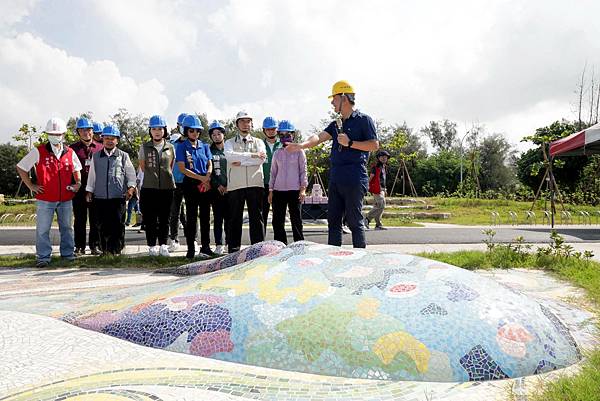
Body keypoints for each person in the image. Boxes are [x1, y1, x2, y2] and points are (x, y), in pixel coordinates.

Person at [286, 80, 379, 248]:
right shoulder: (336, 124)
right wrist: (301, 145)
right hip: (336, 178)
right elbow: (319, 137)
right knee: (333, 221)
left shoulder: (364, 120)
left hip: (354, 177)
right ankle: (334, 259)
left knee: (354, 221)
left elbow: (374, 145)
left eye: (334, 98)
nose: (332, 102)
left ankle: (360, 258)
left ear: (344, 98)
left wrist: (350, 143)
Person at [16, 117, 82, 267]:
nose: (56, 136)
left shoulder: (69, 152)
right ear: (47, 134)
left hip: (65, 197)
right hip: (45, 198)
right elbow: (21, 167)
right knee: (43, 229)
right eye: (52, 133)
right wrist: (31, 186)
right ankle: (43, 257)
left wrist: (77, 183)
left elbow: (76, 169)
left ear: (63, 134)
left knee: (66, 228)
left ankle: (68, 255)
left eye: (58, 134)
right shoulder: (38, 151)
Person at [85, 125, 136, 255]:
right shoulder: (96, 156)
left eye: (112, 138)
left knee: (118, 225)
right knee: (102, 225)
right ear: (102, 139)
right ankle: (105, 250)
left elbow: (131, 174)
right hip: (100, 197)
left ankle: (117, 250)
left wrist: (131, 188)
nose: (109, 141)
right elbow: (92, 176)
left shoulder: (123, 156)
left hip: (118, 197)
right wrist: (89, 190)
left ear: (117, 140)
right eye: (106, 138)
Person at [224, 111, 266, 253]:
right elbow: (230, 157)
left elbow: (261, 159)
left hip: (255, 183)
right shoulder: (229, 143)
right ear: (237, 124)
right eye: (242, 121)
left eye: (248, 121)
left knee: (256, 217)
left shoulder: (259, 142)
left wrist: (241, 161)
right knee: (235, 218)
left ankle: (258, 249)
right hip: (236, 184)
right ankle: (234, 250)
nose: (246, 124)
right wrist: (252, 156)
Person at [176, 114, 215, 259]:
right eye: (191, 130)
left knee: (205, 216)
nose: (195, 133)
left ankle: (206, 246)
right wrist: (201, 178)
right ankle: (191, 248)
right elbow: (182, 168)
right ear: (186, 131)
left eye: (197, 131)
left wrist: (207, 177)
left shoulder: (204, 146)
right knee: (191, 217)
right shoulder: (181, 147)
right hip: (191, 183)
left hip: (205, 183)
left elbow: (209, 163)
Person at [138, 115, 176, 256]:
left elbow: (170, 165)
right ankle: (152, 245)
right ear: (150, 131)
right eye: (154, 129)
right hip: (149, 187)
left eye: (160, 128)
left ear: (164, 130)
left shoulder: (170, 147)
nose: (157, 132)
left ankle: (163, 245)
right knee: (150, 218)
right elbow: (142, 167)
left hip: (167, 187)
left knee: (165, 218)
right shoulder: (144, 147)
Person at [268, 120, 307, 245]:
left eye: (288, 135)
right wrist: (270, 191)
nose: (285, 138)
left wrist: (303, 189)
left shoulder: (299, 152)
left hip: (295, 190)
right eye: (282, 135)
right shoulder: (277, 153)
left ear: (293, 135)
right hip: (278, 191)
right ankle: (280, 246)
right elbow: (273, 173)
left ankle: (299, 245)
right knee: (277, 221)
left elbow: (303, 171)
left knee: (296, 220)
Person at [70, 117, 103, 255]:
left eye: (88, 130)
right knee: (80, 219)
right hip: (80, 190)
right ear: (78, 132)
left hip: (96, 189)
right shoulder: (71, 149)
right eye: (82, 130)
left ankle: (95, 246)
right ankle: (79, 246)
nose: (86, 133)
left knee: (96, 220)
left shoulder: (100, 148)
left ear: (92, 131)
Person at [208, 120, 229, 254]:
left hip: (231, 189)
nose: (216, 136)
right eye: (214, 134)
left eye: (219, 133)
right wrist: (217, 185)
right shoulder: (209, 151)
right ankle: (219, 244)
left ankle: (229, 242)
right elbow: (208, 170)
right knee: (218, 218)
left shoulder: (230, 149)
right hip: (216, 190)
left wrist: (228, 185)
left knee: (230, 218)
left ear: (223, 135)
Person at [168, 112, 188, 251]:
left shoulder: (196, 144)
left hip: (190, 182)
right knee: (174, 212)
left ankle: (192, 239)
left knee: (191, 212)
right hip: (175, 182)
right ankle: (174, 239)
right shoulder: (172, 145)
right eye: (183, 126)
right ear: (178, 126)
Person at [261, 116, 282, 231]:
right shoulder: (259, 145)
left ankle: (279, 243)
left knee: (278, 217)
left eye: (273, 129)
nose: (271, 131)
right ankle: (260, 245)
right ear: (264, 130)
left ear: (277, 130)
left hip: (279, 186)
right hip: (263, 185)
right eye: (268, 129)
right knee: (262, 216)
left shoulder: (283, 144)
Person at [365, 150, 390, 230]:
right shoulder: (375, 167)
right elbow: (371, 177)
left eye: (385, 157)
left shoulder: (384, 167)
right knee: (381, 204)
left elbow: (384, 179)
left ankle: (378, 224)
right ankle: (367, 219)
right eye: (382, 157)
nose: (384, 158)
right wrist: (367, 186)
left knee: (380, 206)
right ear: (378, 158)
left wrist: (385, 188)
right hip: (376, 188)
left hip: (382, 188)